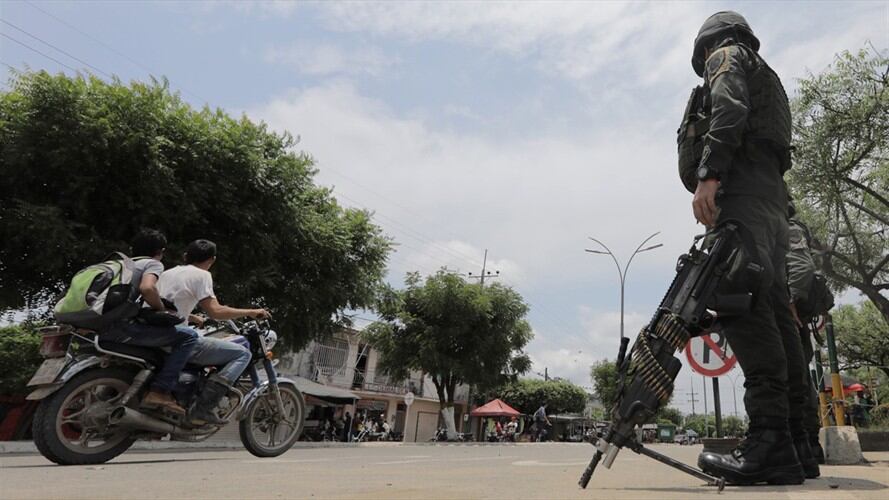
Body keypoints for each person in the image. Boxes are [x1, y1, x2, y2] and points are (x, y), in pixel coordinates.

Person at [679, 12, 810, 485]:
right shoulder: (769, 76)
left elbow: (729, 109)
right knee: (775, 316)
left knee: (742, 305)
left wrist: (709, 174)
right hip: (772, 206)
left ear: (707, 47)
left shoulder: (727, 57)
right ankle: (796, 442)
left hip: (745, 200)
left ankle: (769, 441)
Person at [157, 239, 269, 424]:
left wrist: (192, 317)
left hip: (157, 333)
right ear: (212, 260)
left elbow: (166, 306)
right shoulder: (202, 275)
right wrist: (251, 312)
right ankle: (203, 408)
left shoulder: (168, 273)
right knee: (243, 354)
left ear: (185, 256)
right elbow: (216, 311)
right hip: (176, 338)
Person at [102, 229, 199, 415]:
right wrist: (161, 309)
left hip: (95, 328)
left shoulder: (118, 264)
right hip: (120, 328)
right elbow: (147, 289)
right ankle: (160, 391)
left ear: (132, 249)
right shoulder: (152, 264)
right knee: (188, 337)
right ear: (160, 251)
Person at [786, 202, 827, 470]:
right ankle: (806, 446)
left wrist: (789, 301)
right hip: (793, 316)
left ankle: (807, 443)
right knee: (797, 377)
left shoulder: (787, 228)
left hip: (791, 316)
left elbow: (801, 267)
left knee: (795, 378)